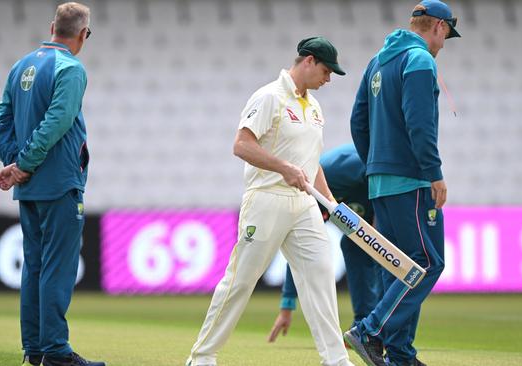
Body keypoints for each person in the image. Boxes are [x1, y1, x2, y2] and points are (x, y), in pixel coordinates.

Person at [185, 37, 353, 366]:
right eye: (326, 70)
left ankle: (336, 360)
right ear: (308, 61)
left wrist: (331, 204)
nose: (329, 78)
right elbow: (241, 145)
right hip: (267, 199)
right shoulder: (269, 97)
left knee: (320, 274)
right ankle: (201, 357)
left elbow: (311, 161)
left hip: (304, 205)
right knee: (241, 280)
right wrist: (283, 168)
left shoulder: (315, 108)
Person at [345, 1, 461, 365]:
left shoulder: (377, 61)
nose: (444, 43)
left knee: (398, 266)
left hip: (381, 180)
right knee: (425, 263)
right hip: (412, 180)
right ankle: (370, 330)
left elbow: (357, 121)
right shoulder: (421, 60)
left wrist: (375, 165)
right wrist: (434, 173)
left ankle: (399, 354)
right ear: (438, 27)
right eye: (446, 35)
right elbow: (420, 125)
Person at [0, 3, 103, 366]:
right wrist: (22, 165)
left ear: (53, 26)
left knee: (34, 268)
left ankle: (34, 349)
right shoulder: (71, 69)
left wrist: (15, 163)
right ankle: (55, 351)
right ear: (83, 34)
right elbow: (58, 121)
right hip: (58, 184)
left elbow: (1, 123)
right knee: (57, 268)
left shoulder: (21, 65)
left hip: (31, 188)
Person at [268, 144, 382, 343]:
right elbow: (300, 250)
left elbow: (373, 167)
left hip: (377, 185)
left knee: (363, 247)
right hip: (347, 198)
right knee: (354, 245)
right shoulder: (304, 202)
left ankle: (376, 326)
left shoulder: (337, 172)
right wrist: (287, 306)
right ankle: (363, 327)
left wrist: (381, 214)